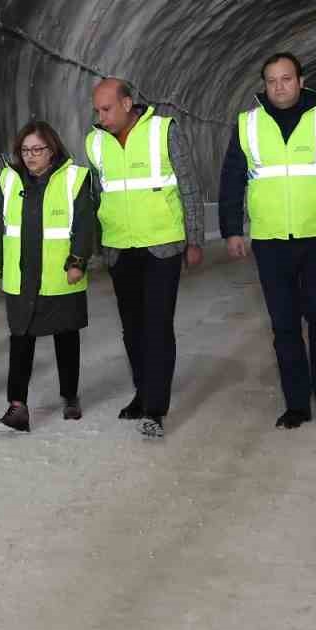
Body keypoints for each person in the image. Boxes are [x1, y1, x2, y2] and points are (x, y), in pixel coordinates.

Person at [218, 52, 316, 430]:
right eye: (271, 81)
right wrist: (232, 229)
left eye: (286, 79)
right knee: (284, 323)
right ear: (264, 86)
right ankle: (297, 403)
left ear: (301, 81)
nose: (279, 87)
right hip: (269, 239)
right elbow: (232, 178)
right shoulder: (248, 125)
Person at [83, 78, 205, 439]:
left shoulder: (164, 131)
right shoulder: (95, 142)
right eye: (97, 110)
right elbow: (97, 194)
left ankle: (155, 408)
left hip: (162, 245)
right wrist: (95, 247)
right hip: (120, 248)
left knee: (157, 325)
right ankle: (142, 392)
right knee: (132, 327)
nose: (101, 117)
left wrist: (195, 239)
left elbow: (189, 186)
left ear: (127, 103)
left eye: (106, 109)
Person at [0, 120, 98, 433]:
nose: (30, 156)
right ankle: (17, 407)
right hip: (21, 276)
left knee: (66, 337)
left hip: (59, 276)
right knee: (20, 340)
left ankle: (70, 396)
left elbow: (85, 224)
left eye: (37, 150)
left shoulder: (74, 178)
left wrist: (77, 261)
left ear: (52, 150)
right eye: (25, 150)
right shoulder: (10, 179)